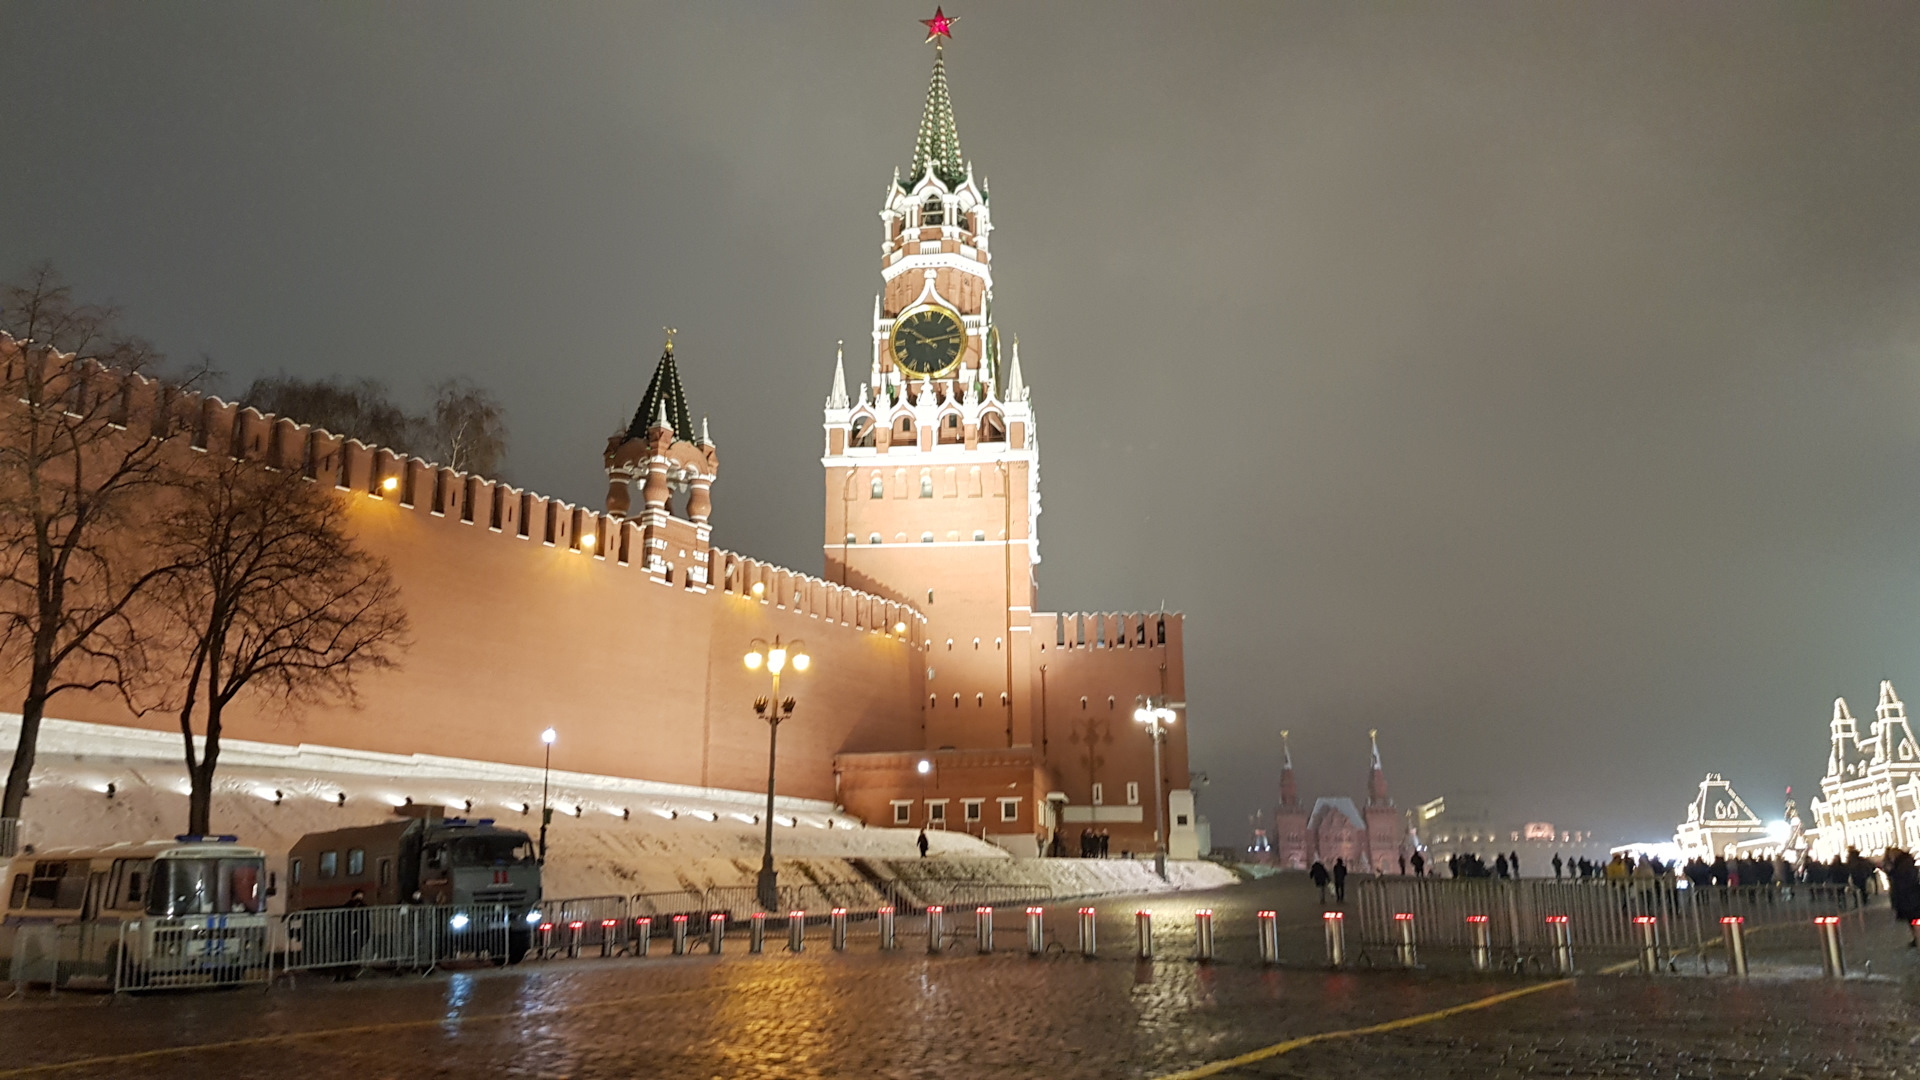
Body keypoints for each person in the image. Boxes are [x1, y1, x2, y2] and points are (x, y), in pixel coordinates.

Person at [1884, 848, 1920, 946]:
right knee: (1912, 920)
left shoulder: (1904, 864)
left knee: (1914, 920)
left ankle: (1917, 939)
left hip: (1910, 897)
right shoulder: (1902, 863)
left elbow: (1904, 879)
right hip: (1908, 897)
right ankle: (1916, 938)